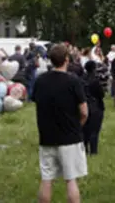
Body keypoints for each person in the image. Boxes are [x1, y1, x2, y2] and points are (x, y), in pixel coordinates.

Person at [33, 44, 89, 203]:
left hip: (47, 136)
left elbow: (37, 103)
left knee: (46, 179)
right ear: (66, 59)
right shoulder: (73, 81)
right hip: (70, 136)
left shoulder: (40, 80)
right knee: (71, 180)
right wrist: (79, 125)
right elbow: (84, 111)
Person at [82, 61, 104, 155]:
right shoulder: (95, 80)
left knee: (84, 129)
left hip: (83, 105)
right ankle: (93, 150)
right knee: (94, 130)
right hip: (95, 106)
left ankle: (84, 148)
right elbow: (101, 94)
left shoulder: (81, 79)